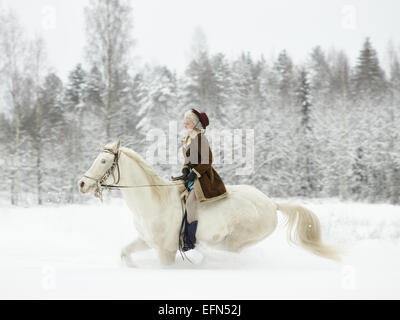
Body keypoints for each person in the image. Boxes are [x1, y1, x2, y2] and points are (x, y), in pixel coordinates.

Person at [180, 109, 228, 252]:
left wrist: (194, 172)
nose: (185, 125)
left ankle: (190, 241)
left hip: (203, 177)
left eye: (187, 122)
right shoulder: (188, 139)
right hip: (190, 177)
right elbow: (188, 160)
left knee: (190, 203)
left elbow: (208, 161)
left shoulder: (201, 138)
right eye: (184, 122)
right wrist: (185, 169)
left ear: (194, 124)